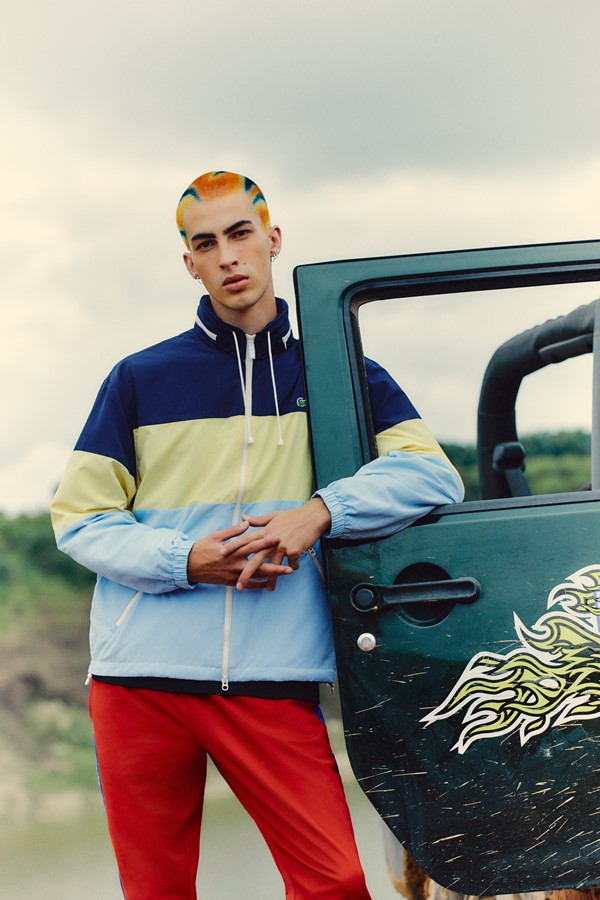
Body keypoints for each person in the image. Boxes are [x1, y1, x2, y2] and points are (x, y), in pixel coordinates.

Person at [51, 170, 464, 899]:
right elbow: (80, 518)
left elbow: (431, 475)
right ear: (190, 262)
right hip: (137, 684)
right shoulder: (141, 379)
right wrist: (186, 560)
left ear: (272, 239)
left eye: (241, 234)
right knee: (155, 892)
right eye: (206, 243)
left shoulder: (341, 377)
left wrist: (320, 511)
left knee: (335, 882)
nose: (228, 255)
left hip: (271, 680)